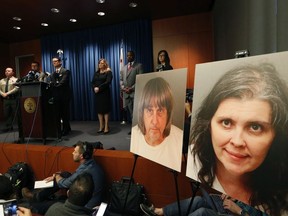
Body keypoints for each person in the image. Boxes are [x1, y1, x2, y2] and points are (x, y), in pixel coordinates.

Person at [142, 63, 288, 216]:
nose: (237, 141)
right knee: (198, 201)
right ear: (209, 124)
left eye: (255, 127)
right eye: (226, 122)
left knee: (202, 212)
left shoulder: (280, 195)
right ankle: (159, 212)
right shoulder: (197, 159)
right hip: (226, 202)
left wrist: (238, 208)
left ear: (276, 136)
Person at [22, 141, 105, 214]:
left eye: (75, 152)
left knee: (42, 205)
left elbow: (63, 184)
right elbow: (73, 177)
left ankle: (33, 203)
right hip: (87, 198)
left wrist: (57, 175)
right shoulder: (92, 164)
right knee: (64, 174)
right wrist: (60, 175)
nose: (72, 153)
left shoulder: (84, 170)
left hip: (85, 207)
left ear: (81, 156)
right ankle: (37, 196)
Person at [130, 77, 183, 171]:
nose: (154, 121)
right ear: (142, 112)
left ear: (168, 114)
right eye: (149, 110)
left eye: (160, 110)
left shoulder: (179, 138)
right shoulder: (134, 135)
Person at [120, 51, 144, 125]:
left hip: (135, 92)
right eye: (127, 56)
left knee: (137, 112)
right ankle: (134, 127)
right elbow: (121, 80)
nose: (128, 57)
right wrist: (123, 88)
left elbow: (141, 79)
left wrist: (131, 88)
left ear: (133, 56)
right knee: (131, 112)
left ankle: (139, 128)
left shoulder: (139, 66)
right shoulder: (123, 68)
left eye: (130, 55)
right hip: (126, 94)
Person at [50, 57, 72, 139]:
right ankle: (60, 130)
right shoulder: (52, 73)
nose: (54, 63)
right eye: (53, 62)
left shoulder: (66, 71)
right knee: (57, 114)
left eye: (55, 61)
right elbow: (52, 83)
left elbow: (63, 82)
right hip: (56, 96)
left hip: (64, 96)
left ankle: (66, 129)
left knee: (65, 114)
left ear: (60, 62)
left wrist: (54, 85)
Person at [91, 59, 113, 134]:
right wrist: (94, 88)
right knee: (99, 110)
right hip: (97, 94)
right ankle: (101, 126)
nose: (100, 64)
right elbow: (92, 82)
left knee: (105, 110)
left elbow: (108, 82)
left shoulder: (108, 72)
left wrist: (99, 88)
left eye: (102, 63)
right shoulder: (96, 73)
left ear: (105, 64)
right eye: (99, 63)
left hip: (105, 93)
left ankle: (106, 127)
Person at [0, 67, 20, 132]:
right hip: (5, 100)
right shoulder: (2, 80)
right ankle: (9, 127)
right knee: (7, 114)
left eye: (8, 71)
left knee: (16, 113)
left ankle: (20, 128)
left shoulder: (16, 80)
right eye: (6, 71)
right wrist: (2, 94)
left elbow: (17, 88)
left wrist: (7, 93)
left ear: (12, 72)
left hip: (13, 99)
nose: (7, 72)